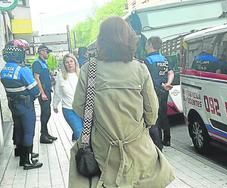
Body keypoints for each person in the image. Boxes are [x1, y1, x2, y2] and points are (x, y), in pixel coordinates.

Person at [68, 16, 175, 188]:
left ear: (101, 41)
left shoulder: (90, 69)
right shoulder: (140, 69)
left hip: (102, 148)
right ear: (129, 41)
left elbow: (79, 107)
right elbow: (152, 112)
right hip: (137, 147)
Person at [0, 39, 43, 170]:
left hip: (13, 105)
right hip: (26, 106)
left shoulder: (4, 70)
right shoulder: (22, 70)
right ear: (18, 54)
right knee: (28, 131)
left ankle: (21, 153)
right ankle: (27, 161)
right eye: (23, 51)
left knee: (18, 128)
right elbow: (36, 91)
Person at [145, 36, 174, 147]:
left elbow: (148, 78)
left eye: (147, 44)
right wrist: (167, 83)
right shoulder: (165, 59)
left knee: (155, 117)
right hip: (165, 90)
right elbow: (171, 72)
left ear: (151, 45)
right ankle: (167, 139)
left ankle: (158, 142)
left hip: (154, 91)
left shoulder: (147, 60)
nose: (145, 47)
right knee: (164, 114)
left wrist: (160, 85)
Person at [52, 54, 83, 141]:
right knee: (79, 133)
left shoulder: (82, 73)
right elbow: (58, 92)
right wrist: (55, 105)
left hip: (83, 108)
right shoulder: (61, 76)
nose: (69, 64)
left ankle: (80, 148)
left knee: (87, 134)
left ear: (75, 62)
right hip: (69, 109)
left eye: (71, 61)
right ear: (64, 64)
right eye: (66, 62)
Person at [32, 45, 57, 144]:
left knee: (47, 113)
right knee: (45, 113)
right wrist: (42, 93)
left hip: (47, 90)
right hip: (43, 92)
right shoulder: (37, 63)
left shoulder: (43, 63)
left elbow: (45, 75)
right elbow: (36, 78)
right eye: (47, 52)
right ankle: (43, 136)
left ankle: (46, 133)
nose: (48, 54)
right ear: (41, 52)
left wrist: (52, 77)